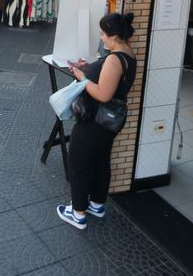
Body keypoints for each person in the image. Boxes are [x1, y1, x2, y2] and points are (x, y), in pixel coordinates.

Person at [57, 12, 138, 229]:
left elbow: (103, 94)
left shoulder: (114, 59)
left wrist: (82, 77)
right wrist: (90, 67)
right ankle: (97, 205)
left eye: (103, 34)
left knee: (78, 163)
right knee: (101, 161)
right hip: (109, 122)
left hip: (96, 121)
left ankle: (78, 213)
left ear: (114, 36)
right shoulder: (127, 53)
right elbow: (108, 78)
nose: (101, 38)